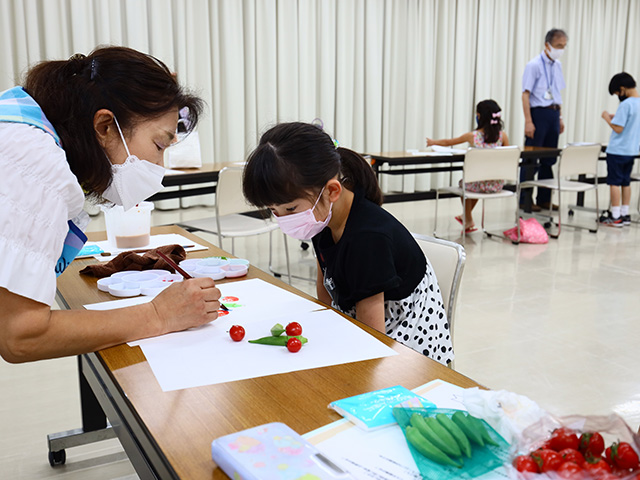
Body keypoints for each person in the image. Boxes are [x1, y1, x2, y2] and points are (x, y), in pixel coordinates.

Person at [0, 46, 221, 363]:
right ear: (104, 126)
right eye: (159, 145)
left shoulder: (24, 126)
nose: (158, 165)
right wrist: (158, 315)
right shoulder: (32, 158)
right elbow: (21, 336)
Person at [242, 122, 453, 365]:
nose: (282, 219)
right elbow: (326, 282)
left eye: (290, 208)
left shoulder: (368, 238)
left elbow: (372, 339)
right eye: (273, 210)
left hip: (407, 350)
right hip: (366, 329)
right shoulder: (323, 217)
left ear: (332, 191)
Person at [427, 99, 510, 233]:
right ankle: (466, 217)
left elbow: (449, 142)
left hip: (476, 185)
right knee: (476, 182)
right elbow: (506, 156)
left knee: (466, 184)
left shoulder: (473, 136)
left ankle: (468, 218)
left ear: (479, 117)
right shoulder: (503, 136)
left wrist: (433, 142)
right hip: (496, 184)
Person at [521, 28, 568, 212]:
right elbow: (525, 95)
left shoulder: (557, 65)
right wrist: (528, 121)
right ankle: (525, 200)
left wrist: (561, 117)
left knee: (549, 159)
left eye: (563, 46)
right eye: (558, 46)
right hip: (538, 113)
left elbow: (557, 92)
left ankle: (544, 198)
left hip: (553, 114)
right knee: (532, 159)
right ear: (547, 45)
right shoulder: (533, 65)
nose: (561, 50)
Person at [599, 73, 640, 227]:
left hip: (617, 151)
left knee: (614, 182)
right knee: (625, 182)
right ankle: (625, 213)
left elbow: (618, 128)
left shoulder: (626, 104)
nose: (618, 96)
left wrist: (607, 118)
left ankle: (615, 216)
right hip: (631, 151)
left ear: (622, 89)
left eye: (617, 93)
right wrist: (616, 117)